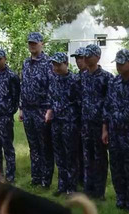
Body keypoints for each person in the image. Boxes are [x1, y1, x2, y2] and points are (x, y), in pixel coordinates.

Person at [101, 49, 129, 212]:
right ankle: (121, 198)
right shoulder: (114, 82)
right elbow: (107, 106)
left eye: (122, 63)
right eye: (117, 63)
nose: (119, 66)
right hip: (114, 133)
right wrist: (105, 129)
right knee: (116, 167)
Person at [20, 32, 53, 188]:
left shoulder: (48, 63)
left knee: (44, 145)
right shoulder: (26, 63)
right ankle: (36, 177)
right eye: (30, 43)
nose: (32, 45)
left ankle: (46, 180)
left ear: (42, 44)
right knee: (33, 145)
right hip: (28, 110)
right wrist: (21, 108)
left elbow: (52, 88)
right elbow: (23, 86)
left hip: (42, 110)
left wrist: (49, 109)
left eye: (35, 43)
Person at [80, 44, 113, 200]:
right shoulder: (83, 76)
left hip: (100, 125)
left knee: (100, 159)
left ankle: (99, 192)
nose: (85, 58)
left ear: (98, 57)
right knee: (87, 157)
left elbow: (110, 103)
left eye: (89, 55)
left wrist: (105, 127)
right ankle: (88, 188)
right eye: (85, 56)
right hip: (86, 124)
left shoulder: (106, 78)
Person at [46, 52, 81, 196]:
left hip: (69, 122)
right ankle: (62, 185)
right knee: (59, 155)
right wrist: (49, 111)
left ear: (66, 64)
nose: (56, 67)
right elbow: (51, 98)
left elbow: (79, 102)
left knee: (70, 156)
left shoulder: (74, 80)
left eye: (59, 64)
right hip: (56, 122)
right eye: (54, 64)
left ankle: (72, 187)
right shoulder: (53, 79)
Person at [0, 48, 20, 182]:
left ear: (5, 59)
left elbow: (16, 96)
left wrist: (8, 112)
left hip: (4, 118)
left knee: (7, 147)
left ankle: (10, 175)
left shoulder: (12, 76)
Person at [71, 46, 87, 187]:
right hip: (76, 120)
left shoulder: (96, 76)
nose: (78, 61)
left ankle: (92, 181)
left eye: (80, 58)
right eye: (76, 59)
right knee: (77, 150)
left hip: (91, 121)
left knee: (92, 154)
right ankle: (79, 177)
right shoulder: (75, 78)